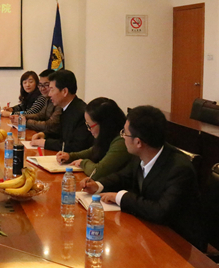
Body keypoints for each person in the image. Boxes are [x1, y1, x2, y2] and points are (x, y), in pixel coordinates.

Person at [79, 105, 206, 250]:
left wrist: (120, 197)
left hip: (178, 244)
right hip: (150, 230)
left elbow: (160, 211)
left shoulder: (179, 169)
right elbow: (123, 176)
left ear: (138, 142)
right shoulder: (143, 154)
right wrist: (98, 185)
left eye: (125, 133)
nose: (122, 137)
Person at [55, 97, 131, 180]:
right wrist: (70, 156)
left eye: (90, 125)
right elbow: (94, 150)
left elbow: (97, 172)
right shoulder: (108, 136)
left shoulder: (122, 141)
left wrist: (82, 163)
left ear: (104, 125)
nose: (89, 129)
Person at [30, 69, 93, 152]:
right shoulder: (66, 108)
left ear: (64, 92)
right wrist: (44, 134)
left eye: (52, 89)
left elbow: (77, 146)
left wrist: (46, 143)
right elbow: (60, 132)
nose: (49, 94)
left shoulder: (81, 113)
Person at [24, 69, 61, 137]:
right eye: (40, 85)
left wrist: (25, 122)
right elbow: (40, 115)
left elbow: (49, 125)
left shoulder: (59, 101)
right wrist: (21, 117)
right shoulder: (47, 98)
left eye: (46, 85)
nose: (42, 88)